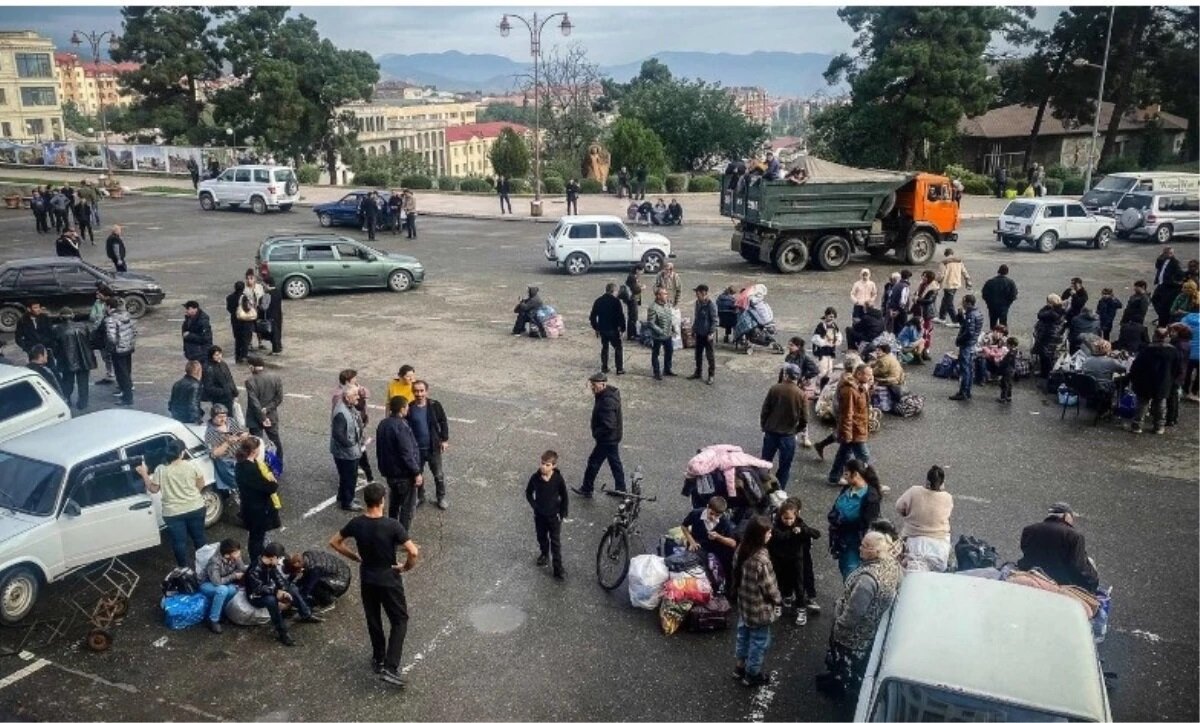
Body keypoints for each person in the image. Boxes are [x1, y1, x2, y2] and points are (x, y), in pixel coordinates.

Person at [329, 482, 418, 686]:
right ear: (382, 501)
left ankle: (378, 658)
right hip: (388, 578)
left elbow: (334, 542)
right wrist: (405, 567)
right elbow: (413, 551)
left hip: (368, 577)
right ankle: (390, 666)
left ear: (367, 501)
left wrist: (355, 556)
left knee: (374, 618)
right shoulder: (392, 525)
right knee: (399, 619)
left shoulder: (356, 523)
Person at [815, 530, 902, 700]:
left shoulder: (867, 581)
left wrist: (839, 623)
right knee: (849, 662)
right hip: (870, 629)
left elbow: (853, 614)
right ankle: (835, 679)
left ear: (874, 552)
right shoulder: (892, 564)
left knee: (844, 660)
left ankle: (838, 689)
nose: (859, 548)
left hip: (853, 634)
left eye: (863, 546)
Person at [134, 439, 206, 568]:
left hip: (173, 513)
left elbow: (153, 489)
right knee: (199, 539)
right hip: (196, 507)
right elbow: (200, 484)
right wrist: (192, 495)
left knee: (179, 543)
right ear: (182, 453)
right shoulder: (192, 465)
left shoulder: (161, 470)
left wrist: (144, 473)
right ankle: (205, 566)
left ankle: (184, 569)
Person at [731, 516, 780, 688]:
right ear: (759, 535)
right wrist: (777, 601)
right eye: (768, 533)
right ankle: (752, 674)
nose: (770, 535)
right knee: (759, 642)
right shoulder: (761, 560)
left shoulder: (741, 549)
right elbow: (770, 587)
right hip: (759, 609)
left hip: (744, 605)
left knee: (742, 636)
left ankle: (739, 667)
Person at [246, 542, 324, 647]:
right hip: (256, 596)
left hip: (269, 588)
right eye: (278, 558)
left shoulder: (270, 564)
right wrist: (276, 592)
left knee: (292, 588)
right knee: (271, 601)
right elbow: (258, 589)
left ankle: (306, 614)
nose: (279, 562)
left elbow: (278, 578)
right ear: (272, 557)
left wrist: (284, 589)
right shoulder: (254, 570)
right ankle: (282, 632)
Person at [1017, 502, 1099, 592]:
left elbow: (1026, 552)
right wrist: (1093, 583)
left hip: (1030, 576)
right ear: (1066, 516)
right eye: (1072, 517)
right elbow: (1079, 567)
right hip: (1060, 583)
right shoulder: (1074, 536)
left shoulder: (1029, 530)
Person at [768, 498, 821, 626]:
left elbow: (816, 533)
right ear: (780, 516)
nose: (789, 522)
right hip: (780, 560)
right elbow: (780, 536)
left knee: (799, 585)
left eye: (791, 519)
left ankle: (801, 610)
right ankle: (779, 604)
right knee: (779, 582)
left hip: (796, 560)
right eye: (786, 519)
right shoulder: (775, 526)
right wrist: (794, 532)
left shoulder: (800, 524)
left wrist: (802, 531)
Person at [827, 459, 882, 578]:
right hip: (842, 540)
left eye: (846, 474)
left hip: (855, 543)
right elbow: (837, 506)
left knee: (851, 572)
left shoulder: (870, 498)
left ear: (856, 474)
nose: (844, 477)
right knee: (844, 567)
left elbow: (868, 525)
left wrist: (842, 522)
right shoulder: (848, 488)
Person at [376, 396, 423, 532]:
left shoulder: (383, 423)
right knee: (407, 509)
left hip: (389, 472)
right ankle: (401, 538)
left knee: (394, 505)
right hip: (403, 474)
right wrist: (416, 472)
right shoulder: (401, 426)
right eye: (407, 407)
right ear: (402, 408)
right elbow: (406, 453)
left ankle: (390, 531)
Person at [894, 466, 953, 572]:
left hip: (913, 538)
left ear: (927, 480)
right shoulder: (947, 497)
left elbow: (899, 507)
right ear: (943, 483)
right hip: (939, 543)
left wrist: (908, 514)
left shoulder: (914, 491)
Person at [574, 373, 624, 498]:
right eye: (591, 384)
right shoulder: (607, 394)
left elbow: (609, 424)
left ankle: (587, 488)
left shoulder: (606, 401)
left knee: (594, 462)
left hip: (607, 439)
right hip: (612, 438)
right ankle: (621, 489)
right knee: (614, 462)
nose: (592, 387)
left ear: (603, 384)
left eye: (594, 384)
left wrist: (597, 434)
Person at [760, 365, 807, 489]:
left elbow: (765, 410)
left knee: (765, 463)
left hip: (771, 432)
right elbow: (805, 419)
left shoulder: (775, 389)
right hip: (788, 435)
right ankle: (779, 491)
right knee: (785, 467)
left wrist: (764, 426)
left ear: (786, 375)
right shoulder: (801, 395)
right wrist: (796, 430)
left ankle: (762, 488)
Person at [235, 436, 281, 561]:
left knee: (254, 536)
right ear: (254, 451)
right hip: (258, 509)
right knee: (257, 538)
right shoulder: (252, 469)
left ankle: (256, 557)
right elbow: (269, 487)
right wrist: (272, 481)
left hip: (247, 505)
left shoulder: (239, 465)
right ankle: (256, 560)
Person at [1127, 328, 1180, 434]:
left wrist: (1133, 378)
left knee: (1142, 404)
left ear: (1154, 336)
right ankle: (1159, 427)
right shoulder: (1173, 351)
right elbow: (1177, 368)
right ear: (1167, 337)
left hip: (1145, 381)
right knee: (1161, 404)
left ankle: (1137, 426)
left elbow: (1137, 366)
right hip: (1163, 381)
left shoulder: (1146, 350)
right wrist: (1172, 380)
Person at [526, 450, 569, 579]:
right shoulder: (535, 478)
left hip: (554, 516)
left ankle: (558, 568)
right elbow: (528, 493)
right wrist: (535, 506)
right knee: (541, 537)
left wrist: (562, 512)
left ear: (554, 466)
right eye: (542, 463)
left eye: (547, 465)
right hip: (540, 516)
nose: (543, 467)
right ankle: (544, 554)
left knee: (555, 542)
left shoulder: (558, 479)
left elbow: (564, 496)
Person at [827, 365, 873, 487]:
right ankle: (869, 481)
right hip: (854, 429)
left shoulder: (858, 386)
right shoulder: (850, 390)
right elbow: (847, 414)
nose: (870, 378)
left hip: (856, 428)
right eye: (868, 375)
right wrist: (847, 434)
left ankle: (834, 477)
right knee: (864, 455)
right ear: (859, 375)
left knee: (844, 454)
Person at [409, 380, 450, 509]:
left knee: (438, 475)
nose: (419, 394)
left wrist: (444, 440)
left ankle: (441, 498)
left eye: (421, 391)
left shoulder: (434, 405)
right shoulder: (409, 407)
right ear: (412, 391)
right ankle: (420, 497)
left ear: (426, 391)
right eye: (416, 391)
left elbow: (443, 422)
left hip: (433, 448)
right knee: (417, 475)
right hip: (417, 450)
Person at [680, 496, 738, 585]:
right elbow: (684, 526)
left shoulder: (725, 522)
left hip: (717, 547)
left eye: (717, 515)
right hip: (699, 545)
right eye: (711, 513)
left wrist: (719, 537)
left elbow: (733, 543)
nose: (713, 518)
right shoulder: (696, 514)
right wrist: (692, 541)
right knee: (698, 566)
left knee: (727, 564)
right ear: (707, 507)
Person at [332, 385, 368, 511]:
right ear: (347, 398)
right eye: (355, 395)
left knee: (345, 476)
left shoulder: (349, 406)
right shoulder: (341, 413)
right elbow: (337, 434)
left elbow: (360, 408)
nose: (357, 397)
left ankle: (343, 497)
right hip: (346, 453)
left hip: (349, 450)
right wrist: (350, 444)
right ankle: (347, 502)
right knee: (350, 477)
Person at [52, 307, 95, 410]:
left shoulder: (57, 329)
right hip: (84, 359)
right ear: (72, 316)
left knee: (67, 382)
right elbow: (91, 341)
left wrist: (58, 356)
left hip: (67, 360)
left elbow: (55, 347)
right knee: (83, 383)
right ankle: (83, 403)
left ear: (61, 317)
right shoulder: (83, 326)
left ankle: (67, 400)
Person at [200, 538, 246, 634]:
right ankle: (213, 620)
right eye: (236, 552)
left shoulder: (234, 557)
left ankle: (221, 614)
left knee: (233, 589)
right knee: (222, 590)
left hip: (224, 583)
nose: (239, 553)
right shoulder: (214, 561)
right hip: (207, 584)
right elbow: (216, 582)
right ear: (226, 554)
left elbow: (242, 569)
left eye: (238, 550)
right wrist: (234, 576)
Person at [245, 356, 284, 459]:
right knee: (275, 441)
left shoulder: (250, 381)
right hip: (271, 415)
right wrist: (268, 408)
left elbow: (254, 402)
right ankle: (278, 464)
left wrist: (262, 417)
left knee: (256, 444)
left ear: (251, 367)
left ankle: (258, 466)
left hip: (255, 417)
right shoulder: (275, 377)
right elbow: (279, 398)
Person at [948, 295, 984, 401]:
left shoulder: (971, 315)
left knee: (965, 369)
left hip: (967, 344)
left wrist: (959, 339)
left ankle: (963, 391)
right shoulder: (978, 313)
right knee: (969, 368)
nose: (962, 304)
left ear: (968, 303)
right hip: (972, 344)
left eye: (963, 302)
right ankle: (967, 391)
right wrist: (960, 316)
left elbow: (969, 332)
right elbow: (965, 325)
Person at [104, 297, 137, 406]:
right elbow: (134, 331)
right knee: (127, 371)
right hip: (128, 347)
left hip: (118, 349)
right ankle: (127, 391)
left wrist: (113, 346)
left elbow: (111, 337)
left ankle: (127, 397)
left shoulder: (110, 319)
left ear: (109, 307)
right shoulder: (127, 315)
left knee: (121, 373)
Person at [589, 282, 626, 375]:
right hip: (613, 329)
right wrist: (622, 329)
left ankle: (604, 367)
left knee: (605, 347)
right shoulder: (616, 302)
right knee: (618, 347)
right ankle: (619, 368)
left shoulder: (598, 300)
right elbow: (620, 316)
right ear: (613, 291)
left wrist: (596, 327)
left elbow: (592, 316)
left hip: (602, 329)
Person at [1031, 294, 1067, 378]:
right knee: (1048, 355)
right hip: (1055, 334)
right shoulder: (1061, 310)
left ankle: (1046, 373)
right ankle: (1046, 372)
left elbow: (1040, 315)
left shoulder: (1051, 313)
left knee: (1045, 355)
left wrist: (1047, 307)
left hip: (1048, 335)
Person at [690, 284, 718, 384]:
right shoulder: (698, 303)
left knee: (710, 355)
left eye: (698, 293)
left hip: (707, 334)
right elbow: (696, 317)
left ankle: (711, 375)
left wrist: (711, 332)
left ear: (704, 293)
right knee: (698, 354)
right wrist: (693, 329)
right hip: (699, 333)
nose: (696, 295)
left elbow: (715, 320)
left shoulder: (711, 304)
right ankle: (698, 372)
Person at [646, 287, 675, 380]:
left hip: (668, 334)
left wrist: (672, 328)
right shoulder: (653, 307)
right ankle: (656, 372)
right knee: (655, 353)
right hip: (658, 336)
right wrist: (660, 331)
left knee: (669, 351)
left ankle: (667, 369)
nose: (666, 295)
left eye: (666, 293)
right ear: (658, 296)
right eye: (664, 294)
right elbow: (651, 323)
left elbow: (669, 317)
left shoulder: (667, 304)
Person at [936, 250, 970, 324]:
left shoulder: (944, 262)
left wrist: (937, 281)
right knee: (945, 300)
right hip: (956, 283)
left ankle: (955, 321)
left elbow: (941, 275)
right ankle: (942, 317)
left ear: (945, 254)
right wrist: (967, 279)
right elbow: (964, 271)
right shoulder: (959, 261)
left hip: (948, 284)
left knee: (949, 303)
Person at [1152, 246, 1184, 326]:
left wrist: (1173, 282)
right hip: (1160, 284)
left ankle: (1164, 318)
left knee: (1164, 304)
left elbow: (1180, 274)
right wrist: (1160, 257)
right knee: (1154, 299)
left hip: (1167, 286)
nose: (1170, 255)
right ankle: (1161, 315)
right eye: (1168, 253)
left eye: (1171, 253)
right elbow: (1157, 266)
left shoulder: (1175, 262)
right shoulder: (1163, 260)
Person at [980, 264, 1017, 330]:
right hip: (1004, 306)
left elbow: (984, 294)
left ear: (998, 271)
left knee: (993, 322)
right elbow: (1013, 295)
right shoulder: (1010, 283)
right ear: (1007, 272)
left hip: (992, 306)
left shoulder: (990, 282)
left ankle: (992, 336)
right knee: (1003, 323)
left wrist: (989, 303)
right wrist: (1008, 304)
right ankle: (1003, 337)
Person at [912, 270, 939, 357]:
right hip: (918, 310)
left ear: (929, 278)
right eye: (922, 276)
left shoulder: (933, 288)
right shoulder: (922, 285)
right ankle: (918, 348)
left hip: (926, 312)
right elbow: (917, 293)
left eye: (925, 276)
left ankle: (925, 349)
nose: (923, 278)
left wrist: (917, 300)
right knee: (917, 329)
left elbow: (930, 300)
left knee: (926, 331)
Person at [168, 360, 205, 424]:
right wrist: (197, 419)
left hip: (176, 416)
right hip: (189, 419)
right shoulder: (195, 385)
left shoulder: (178, 383)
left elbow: (171, 402)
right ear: (199, 372)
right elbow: (193, 404)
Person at [811, 307, 842, 380]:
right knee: (822, 371)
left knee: (829, 370)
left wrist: (837, 341)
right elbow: (815, 338)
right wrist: (825, 343)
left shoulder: (834, 326)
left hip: (830, 351)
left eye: (833, 317)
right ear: (826, 315)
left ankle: (825, 386)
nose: (832, 318)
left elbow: (838, 335)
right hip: (822, 351)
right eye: (830, 316)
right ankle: (818, 386)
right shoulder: (821, 326)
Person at [225, 281, 251, 364]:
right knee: (245, 339)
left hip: (234, 320)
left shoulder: (229, 297)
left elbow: (228, 308)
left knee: (237, 339)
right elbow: (248, 308)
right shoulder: (244, 297)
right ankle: (244, 355)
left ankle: (237, 355)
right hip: (244, 321)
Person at [261, 273, 284, 355]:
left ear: (267, 284)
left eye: (263, 285)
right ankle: (279, 346)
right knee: (278, 330)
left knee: (273, 332)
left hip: (271, 316)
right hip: (278, 314)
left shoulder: (267, 295)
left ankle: (276, 350)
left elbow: (264, 307)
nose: (263, 287)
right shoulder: (278, 292)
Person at [885, 270, 912, 334]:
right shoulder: (905, 287)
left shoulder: (896, 285)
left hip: (893, 310)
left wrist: (891, 309)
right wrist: (898, 311)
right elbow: (903, 301)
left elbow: (890, 297)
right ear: (908, 278)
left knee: (895, 329)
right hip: (901, 312)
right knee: (901, 329)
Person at [622, 265, 644, 342]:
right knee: (633, 316)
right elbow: (635, 289)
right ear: (637, 270)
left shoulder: (633, 277)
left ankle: (634, 333)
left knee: (634, 317)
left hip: (633, 299)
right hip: (631, 299)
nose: (642, 273)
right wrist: (642, 288)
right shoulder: (632, 277)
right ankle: (631, 334)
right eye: (641, 271)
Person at [996, 337, 1020, 403]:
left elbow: (1005, 363)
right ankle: (1009, 397)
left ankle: (1003, 398)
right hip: (1012, 370)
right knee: (1009, 384)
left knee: (1004, 384)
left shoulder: (1010, 353)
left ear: (1011, 345)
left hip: (1007, 371)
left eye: (1007, 344)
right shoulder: (1016, 352)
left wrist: (1000, 370)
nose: (1006, 345)